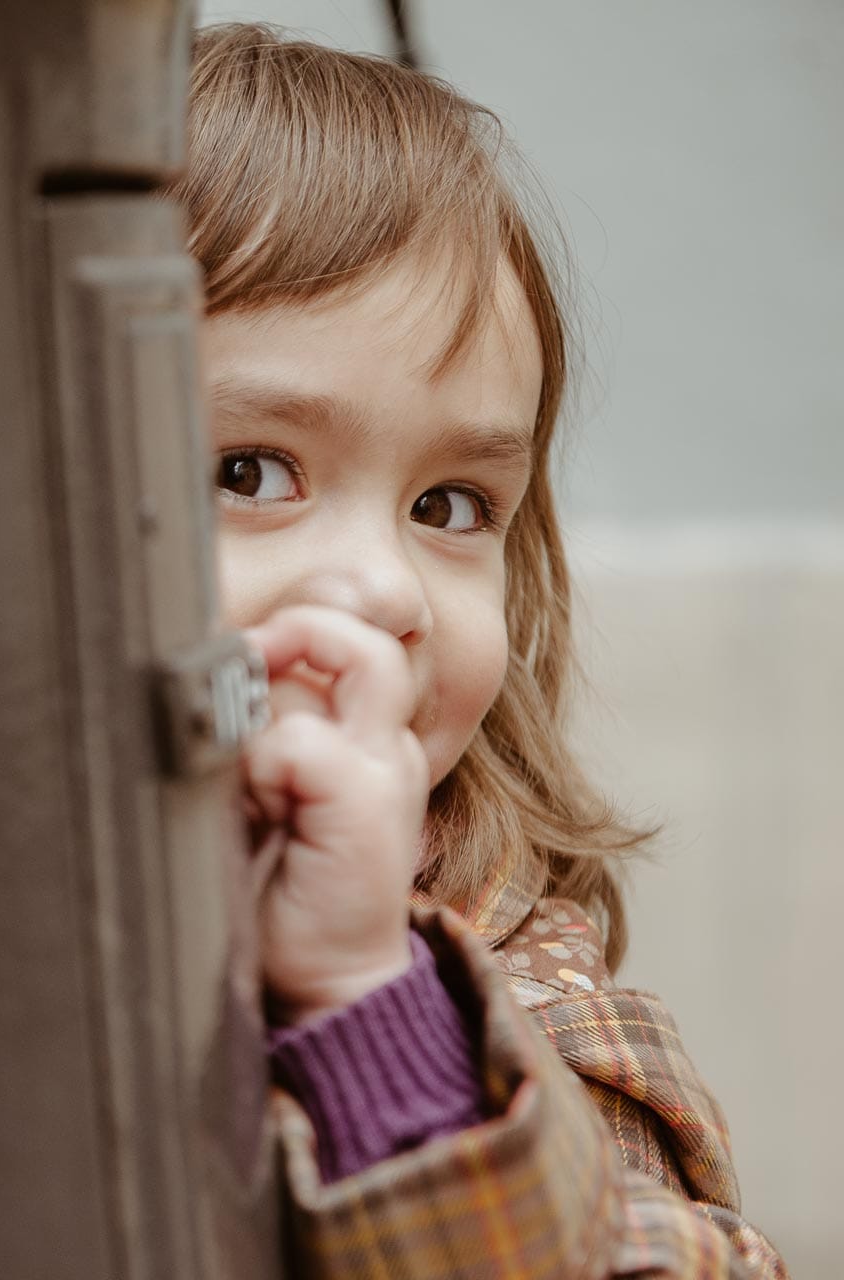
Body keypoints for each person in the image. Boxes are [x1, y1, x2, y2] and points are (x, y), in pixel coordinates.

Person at [188, 24, 790, 1277]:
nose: (385, 588)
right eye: (249, 472)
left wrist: (369, 1008)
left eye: (449, 505)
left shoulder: (520, 983)